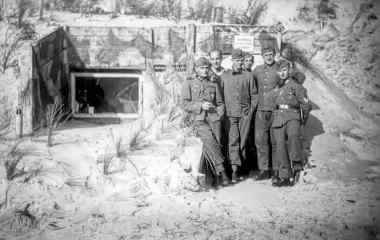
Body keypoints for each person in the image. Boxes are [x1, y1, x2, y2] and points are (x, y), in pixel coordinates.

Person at [181, 57, 229, 188]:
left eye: (207, 68)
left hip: (214, 119)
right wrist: (200, 105)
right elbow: (184, 104)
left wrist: (219, 115)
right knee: (210, 141)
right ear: (196, 69)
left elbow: (220, 103)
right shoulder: (189, 83)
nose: (205, 70)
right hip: (199, 119)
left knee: (216, 144)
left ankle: (209, 178)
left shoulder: (213, 83)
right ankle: (222, 172)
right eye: (201, 68)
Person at [270, 60, 311, 186]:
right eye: (279, 71)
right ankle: (284, 175)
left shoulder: (296, 86)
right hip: (278, 118)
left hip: (292, 116)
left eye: (284, 70)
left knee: (293, 139)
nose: (282, 73)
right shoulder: (277, 87)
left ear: (289, 71)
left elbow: (306, 105)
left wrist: (301, 121)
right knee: (280, 145)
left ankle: (296, 165)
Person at [220, 49, 258, 183]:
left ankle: (240, 167)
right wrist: (223, 111)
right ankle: (234, 170)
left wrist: (251, 111)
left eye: (241, 61)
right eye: (237, 60)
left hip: (244, 115)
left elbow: (254, 95)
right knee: (233, 140)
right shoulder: (224, 76)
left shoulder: (248, 76)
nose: (239, 63)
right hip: (230, 116)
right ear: (232, 60)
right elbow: (220, 96)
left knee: (242, 142)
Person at [252, 45, 279, 181]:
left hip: (275, 110)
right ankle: (264, 169)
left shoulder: (280, 68)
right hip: (261, 111)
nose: (269, 57)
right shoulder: (257, 70)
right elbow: (249, 82)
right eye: (266, 55)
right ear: (262, 57)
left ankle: (276, 169)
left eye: (271, 54)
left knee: (275, 141)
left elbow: (299, 78)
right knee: (260, 141)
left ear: (274, 55)